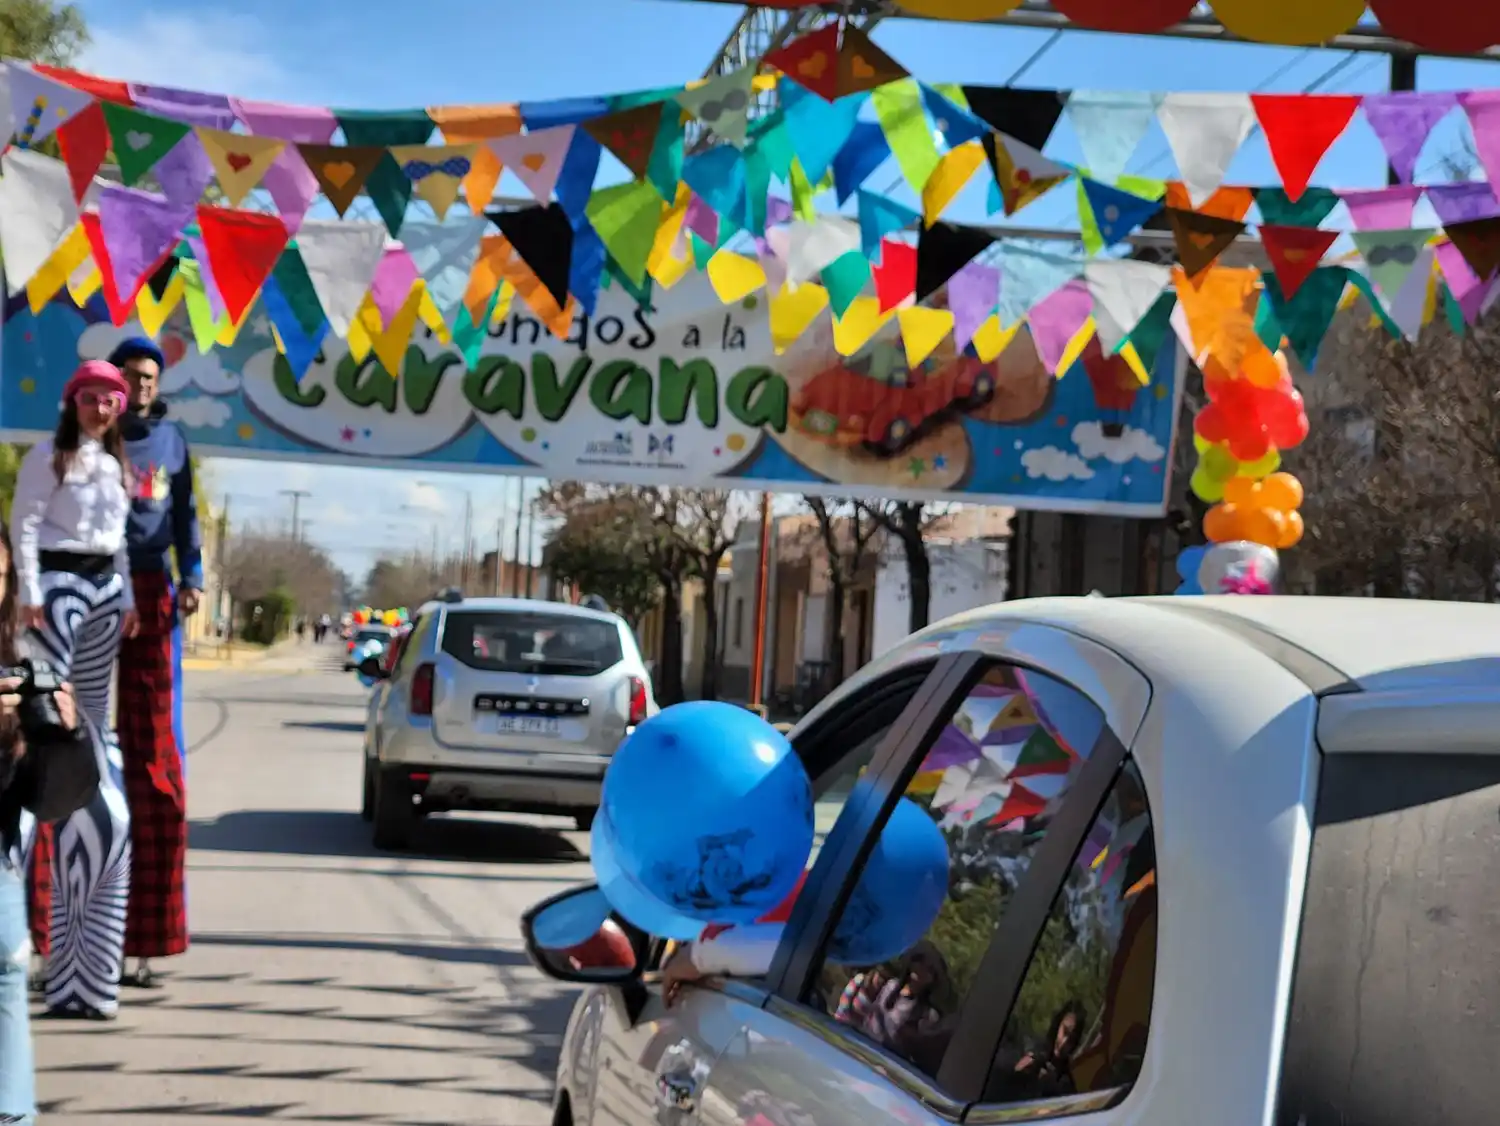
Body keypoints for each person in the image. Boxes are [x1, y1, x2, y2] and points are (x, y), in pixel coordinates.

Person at [11, 361, 136, 1020]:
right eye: (93, 398)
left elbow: (119, 542)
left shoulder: (116, 467)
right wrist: (29, 592)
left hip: (104, 589)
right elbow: (25, 524)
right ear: (73, 401)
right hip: (56, 587)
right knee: (49, 724)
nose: (103, 408)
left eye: (112, 399)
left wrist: (131, 594)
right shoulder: (49, 457)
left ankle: (87, 972)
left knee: (94, 728)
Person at [110, 337, 202, 990]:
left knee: (155, 772)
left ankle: (147, 939)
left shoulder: (173, 444)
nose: (141, 385)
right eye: (130, 375)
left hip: (153, 593)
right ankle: (64, 935)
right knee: (75, 751)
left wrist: (192, 575)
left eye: (149, 377)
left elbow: (187, 516)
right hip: (89, 588)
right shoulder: (86, 435)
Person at [0, 516, 91, 1116]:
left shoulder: (16, 656)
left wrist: (66, 733)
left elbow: (51, 798)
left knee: (7, 975)